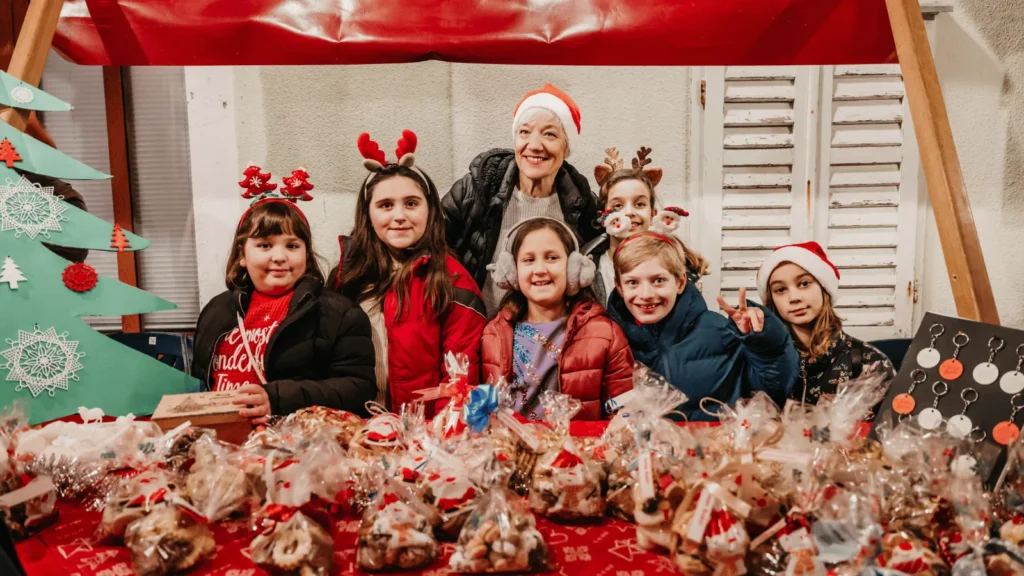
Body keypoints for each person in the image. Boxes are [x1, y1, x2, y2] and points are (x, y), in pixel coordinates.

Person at [192, 167, 376, 423]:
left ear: (306, 253)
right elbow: (201, 381)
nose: (279, 256)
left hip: (295, 439)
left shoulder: (339, 314)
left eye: (292, 245)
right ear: (242, 254)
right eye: (264, 245)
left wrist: (278, 398)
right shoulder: (216, 310)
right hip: (223, 438)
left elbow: (359, 389)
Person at [331, 131, 486, 414]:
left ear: (430, 210)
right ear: (368, 214)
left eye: (411, 203)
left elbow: (459, 384)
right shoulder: (345, 277)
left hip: (422, 432)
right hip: (355, 429)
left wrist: (435, 433)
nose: (399, 216)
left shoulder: (454, 283)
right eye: (386, 205)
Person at [442, 83, 602, 316]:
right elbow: (429, 242)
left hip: (550, 331)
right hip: (475, 327)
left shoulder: (582, 202)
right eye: (524, 132)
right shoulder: (478, 187)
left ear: (567, 147)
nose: (534, 146)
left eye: (549, 134)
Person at [608, 234, 798, 420]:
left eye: (658, 280)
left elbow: (773, 393)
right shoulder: (608, 338)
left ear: (680, 282)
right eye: (632, 282)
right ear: (619, 287)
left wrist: (763, 342)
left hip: (711, 440)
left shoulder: (719, 332)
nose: (646, 294)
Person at [481, 217, 633, 420]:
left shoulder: (605, 333)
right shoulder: (494, 334)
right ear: (512, 272)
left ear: (574, 268)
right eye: (529, 260)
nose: (540, 269)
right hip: (511, 441)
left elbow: (622, 415)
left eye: (552, 258)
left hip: (579, 441)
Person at [757, 241, 895, 407]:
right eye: (780, 289)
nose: (794, 298)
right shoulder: (764, 362)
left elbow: (892, 420)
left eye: (804, 283)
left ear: (824, 288)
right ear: (772, 300)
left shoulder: (870, 363)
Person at [583, 146, 708, 304]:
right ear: (603, 216)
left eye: (640, 204)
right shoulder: (587, 267)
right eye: (618, 206)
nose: (629, 212)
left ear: (653, 214)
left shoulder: (676, 265)